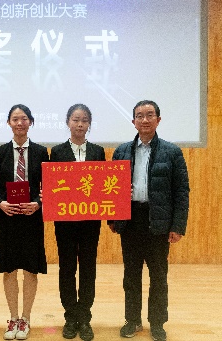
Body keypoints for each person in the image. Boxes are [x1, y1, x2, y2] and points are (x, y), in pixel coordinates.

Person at [109, 100, 189, 341]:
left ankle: (157, 323)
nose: (144, 120)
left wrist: (177, 225)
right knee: (131, 276)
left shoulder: (172, 152)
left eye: (150, 115)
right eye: (139, 116)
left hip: (158, 221)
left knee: (158, 276)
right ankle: (132, 320)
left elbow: (181, 191)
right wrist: (112, 218)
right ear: (133, 121)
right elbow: (110, 188)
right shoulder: (122, 151)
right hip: (131, 220)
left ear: (158, 120)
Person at [0, 104, 49, 341]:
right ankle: (13, 317)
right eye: (15, 119)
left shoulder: (41, 152)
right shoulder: (0, 152)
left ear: (30, 122)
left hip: (32, 218)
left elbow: (48, 186)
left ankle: (26, 318)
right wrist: (0, 203)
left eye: (24, 119)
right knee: (9, 268)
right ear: (8, 123)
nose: (20, 123)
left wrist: (38, 204)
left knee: (31, 269)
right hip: (8, 217)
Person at [50, 104, 105, 341]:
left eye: (84, 120)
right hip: (65, 221)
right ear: (68, 122)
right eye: (75, 119)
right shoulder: (57, 152)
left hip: (91, 220)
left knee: (88, 267)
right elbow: (53, 184)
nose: (80, 124)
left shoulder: (98, 151)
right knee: (67, 267)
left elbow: (103, 185)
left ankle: (85, 316)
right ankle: (70, 316)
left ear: (89, 124)